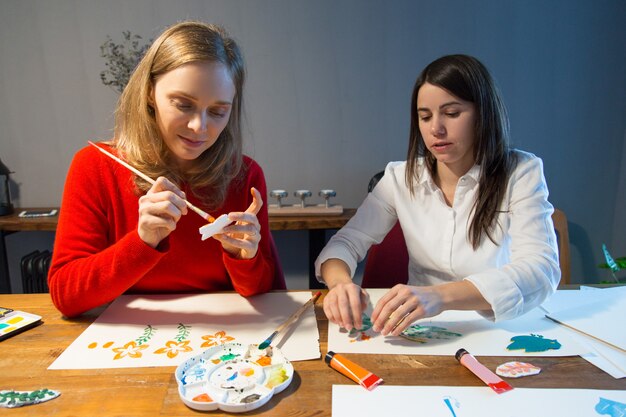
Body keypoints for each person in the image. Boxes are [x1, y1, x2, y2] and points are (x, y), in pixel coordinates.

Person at [315, 54, 560, 336]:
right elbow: (344, 244)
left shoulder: (520, 172)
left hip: (495, 328)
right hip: (422, 327)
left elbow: (541, 270)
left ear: (484, 113)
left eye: (452, 113)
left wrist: (440, 296)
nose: (436, 129)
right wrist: (341, 284)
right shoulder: (399, 177)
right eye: (425, 116)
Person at [49, 21, 279, 318]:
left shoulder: (245, 175)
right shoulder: (95, 166)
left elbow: (262, 289)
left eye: (218, 112)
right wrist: (142, 240)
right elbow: (66, 296)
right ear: (149, 93)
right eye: (184, 105)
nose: (200, 127)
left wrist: (243, 257)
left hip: (220, 345)